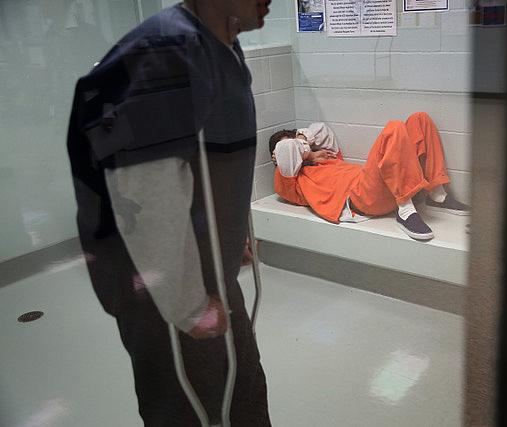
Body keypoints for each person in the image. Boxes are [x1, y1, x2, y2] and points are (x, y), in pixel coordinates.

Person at [67, 1, 272, 425]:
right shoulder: (166, 53)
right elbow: (142, 191)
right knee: (188, 408)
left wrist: (230, 231)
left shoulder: (220, 47)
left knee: (244, 393)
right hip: (160, 286)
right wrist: (188, 305)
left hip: (201, 266)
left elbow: (202, 160)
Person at [269, 112, 469, 241]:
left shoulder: (324, 156)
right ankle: (405, 210)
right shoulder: (288, 179)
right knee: (394, 128)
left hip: (377, 186)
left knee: (420, 120)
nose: (300, 147)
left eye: (300, 141)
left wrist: (307, 145)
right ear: (274, 157)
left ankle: (436, 194)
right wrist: (309, 152)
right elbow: (286, 150)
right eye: (298, 145)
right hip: (360, 200)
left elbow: (321, 128)